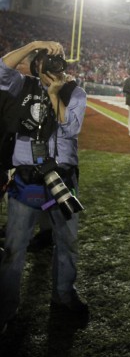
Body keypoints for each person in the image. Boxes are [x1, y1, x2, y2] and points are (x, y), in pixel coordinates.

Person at [0, 41, 88, 334]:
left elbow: (71, 129)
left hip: (62, 180)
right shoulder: (21, 86)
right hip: (27, 181)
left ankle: (64, 294)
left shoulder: (74, 92)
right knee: (14, 248)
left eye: (59, 60)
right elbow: (2, 68)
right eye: (47, 59)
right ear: (37, 63)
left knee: (67, 242)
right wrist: (35, 45)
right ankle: (5, 306)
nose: (54, 64)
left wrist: (54, 95)